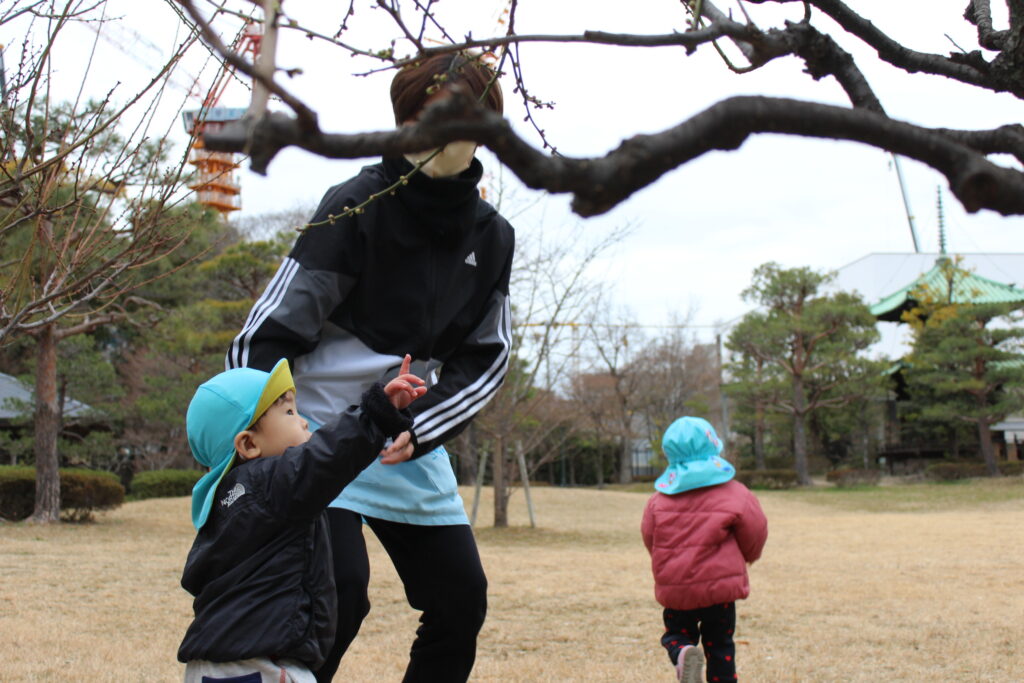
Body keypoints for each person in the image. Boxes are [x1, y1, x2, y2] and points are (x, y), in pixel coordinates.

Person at [226, 52, 513, 682]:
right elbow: (260, 338)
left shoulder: (492, 236)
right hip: (319, 431)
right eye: (422, 119)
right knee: (339, 594)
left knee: (460, 599)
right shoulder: (356, 204)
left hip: (408, 436)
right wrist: (261, 448)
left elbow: (486, 357)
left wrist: (428, 424)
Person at [177, 355, 426, 682]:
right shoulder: (271, 483)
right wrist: (378, 413)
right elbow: (327, 457)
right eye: (290, 412)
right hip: (258, 666)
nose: (305, 421)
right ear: (249, 444)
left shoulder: (228, 505)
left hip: (213, 665)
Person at [641, 416, 768, 683]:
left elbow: (650, 537)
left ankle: (684, 652)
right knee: (720, 644)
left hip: (678, 589)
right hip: (719, 592)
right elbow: (755, 531)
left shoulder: (659, 500)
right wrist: (748, 556)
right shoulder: (735, 493)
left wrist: (667, 563)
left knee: (676, 634)